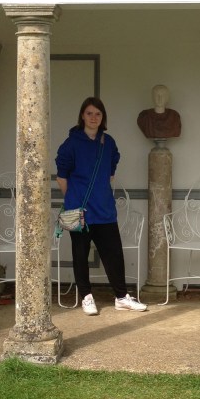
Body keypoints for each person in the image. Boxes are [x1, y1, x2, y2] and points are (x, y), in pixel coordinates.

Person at [55, 97, 148, 316]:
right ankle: (86, 297)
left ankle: (121, 297)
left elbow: (110, 173)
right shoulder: (71, 144)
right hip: (80, 211)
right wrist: (74, 200)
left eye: (98, 114)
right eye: (89, 113)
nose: (93, 118)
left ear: (103, 117)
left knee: (113, 253)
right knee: (80, 254)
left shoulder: (109, 143)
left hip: (104, 209)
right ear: (82, 115)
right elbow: (61, 177)